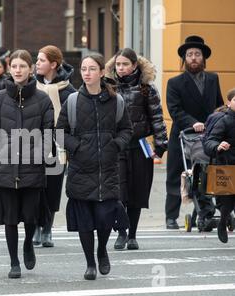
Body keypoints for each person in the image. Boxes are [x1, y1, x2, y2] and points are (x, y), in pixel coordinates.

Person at [56, 53, 132, 280]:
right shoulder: (72, 101)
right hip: (80, 169)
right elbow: (59, 133)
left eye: (91, 69)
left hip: (107, 169)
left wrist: (115, 145)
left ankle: (102, 250)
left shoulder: (116, 101)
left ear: (101, 72)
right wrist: (77, 147)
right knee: (85, 222)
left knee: (105, 217)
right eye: (83, 69)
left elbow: (127, 130)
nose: (86, 73)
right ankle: (90, 262)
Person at [0, 49, 54, 279]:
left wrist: (38, 156)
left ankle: (28, 243)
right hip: (6, 165)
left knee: (31, 215)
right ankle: (14, 261)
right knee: (10, 217)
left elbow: (48, 133)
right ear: (9, 68)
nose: (17, 70)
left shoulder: (43, 99)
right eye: (14, 66)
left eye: (22, 66)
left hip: (32, 166)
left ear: (31, 69)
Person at [105, 48, 168, 250]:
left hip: (140, 145)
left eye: (125, 64)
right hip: (116, 147)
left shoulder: (146, 89)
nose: (121, 68)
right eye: (118, 64)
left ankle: (132, 235)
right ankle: (121, 232)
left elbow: (157, 118)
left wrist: (161, 145)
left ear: (134, 65)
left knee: (136, 192)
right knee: (118, 192)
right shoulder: (107, 87)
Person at [165, 35, 224, 230]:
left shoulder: (213, 79)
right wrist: (193, 122)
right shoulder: (175, 82)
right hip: (182, 135)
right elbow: (174, 110)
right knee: (176, 175)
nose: (193, 58)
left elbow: (218, 104)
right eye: (189, 54)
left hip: (207, 136)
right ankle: (171, 216)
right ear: (184, 59)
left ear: (203, 58)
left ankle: (203, 211)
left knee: (204, 174)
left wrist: (218, 120)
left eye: (197, 54)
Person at [34, 45, 76, 247]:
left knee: (53, 186)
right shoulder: (31, 86)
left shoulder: (69, 91)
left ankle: (47, 228)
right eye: (37, 60)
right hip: (33, 142)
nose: (37, 63)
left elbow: (74, 120)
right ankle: (34, 225)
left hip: (58, 144)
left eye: (41, 60)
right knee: (34, 185)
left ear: (53, 64)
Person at [203, 88, 235, 243]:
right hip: (225, 165)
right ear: (230, 103)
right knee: (227, 202)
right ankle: (223, 222)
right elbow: (209, 141)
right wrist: (218, 146)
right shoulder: (224, 120)